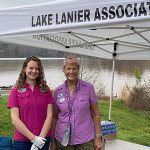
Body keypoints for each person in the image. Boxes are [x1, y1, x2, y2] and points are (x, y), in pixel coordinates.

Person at [51, 56, 103, 150]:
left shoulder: (88, 88)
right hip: (62, 139)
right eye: (68, 69)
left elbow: (96, 114)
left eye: (74, 68)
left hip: (85, 139)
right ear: (64, 70)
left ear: (78, 70)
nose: (71, 72)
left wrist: (98, 137)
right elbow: (54, 117)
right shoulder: (58, 91)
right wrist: (52, 140)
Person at [7, 56, 53, 150]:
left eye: (37, 68)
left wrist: (40, 139)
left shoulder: (45, 89)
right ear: (25, 69)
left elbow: (50, 115)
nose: (34, 71)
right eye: (31, 68)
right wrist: (34, 139)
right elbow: (15, 118)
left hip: (43, 139)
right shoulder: (15, 90)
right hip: (22, 141)